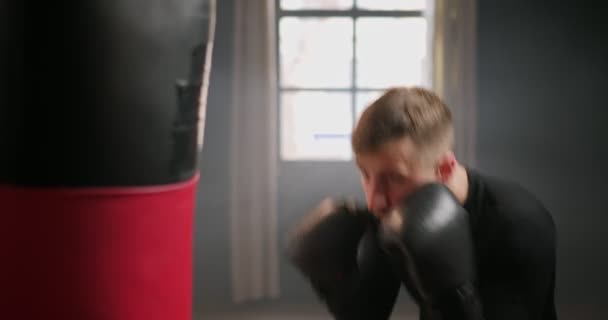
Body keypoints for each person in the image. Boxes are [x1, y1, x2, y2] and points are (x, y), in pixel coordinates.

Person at [287, 87, 557, 320]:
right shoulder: (396, 214)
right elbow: (366, 314)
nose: (375, 200)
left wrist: (454, 298)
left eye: (394, 178)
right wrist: (335, 283)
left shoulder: (519, 224)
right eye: (366, 174)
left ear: (445, 168)